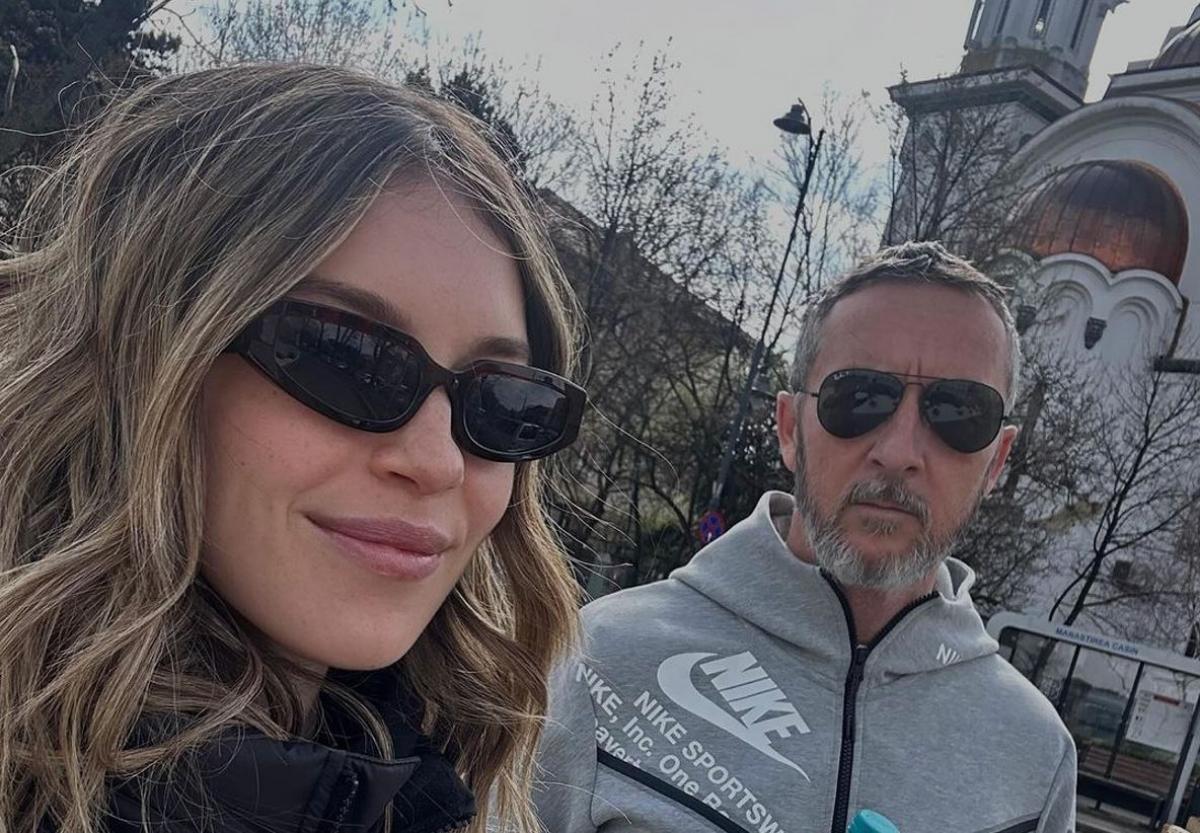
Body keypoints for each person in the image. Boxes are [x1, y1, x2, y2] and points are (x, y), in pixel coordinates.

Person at [0, 63, 587, 833]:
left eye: (502, 399)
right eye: (343, 354)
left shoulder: (432, 785)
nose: (437, 461)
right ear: (148, 357)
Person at [534, 242, 1076, 833]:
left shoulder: (1036, 758)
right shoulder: (605, 656)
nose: (898, 452)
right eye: (860, 398)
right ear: (791, 429)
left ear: (997, 461)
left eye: (959, 413)